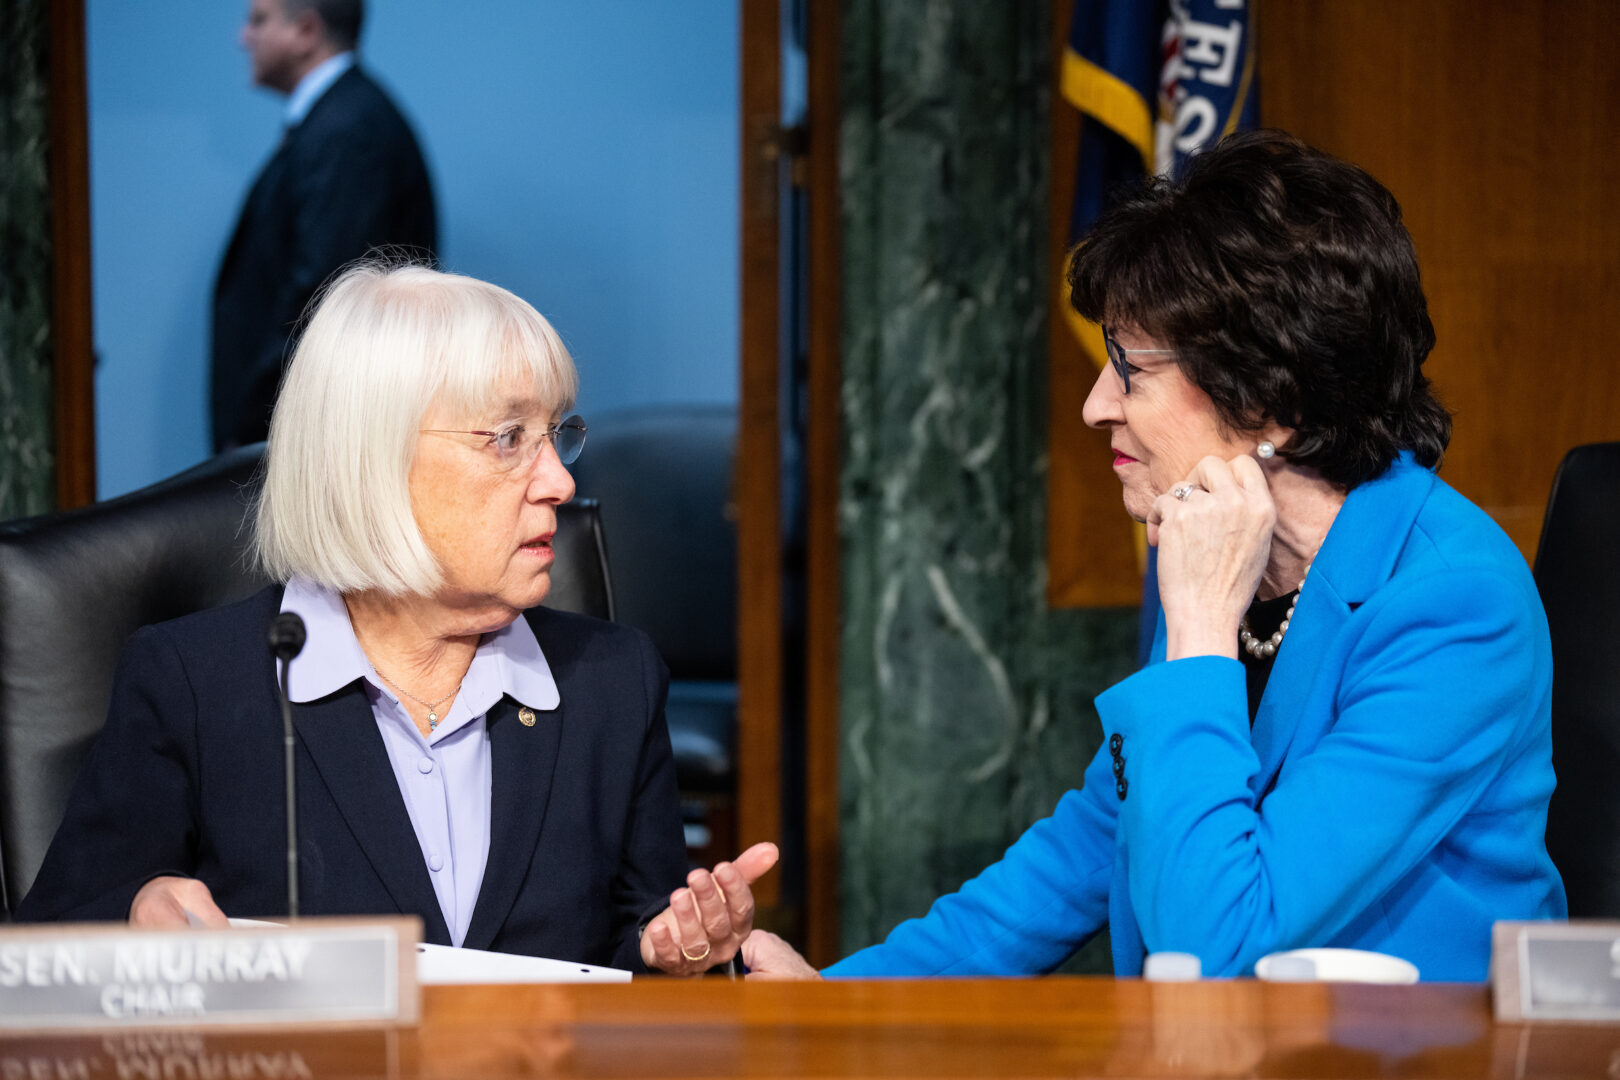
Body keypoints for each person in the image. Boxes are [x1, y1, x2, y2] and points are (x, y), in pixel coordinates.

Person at [743, 130, 1565, 982]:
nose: (1098, 405)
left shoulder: (1454, 603)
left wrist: (1203, 627)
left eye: (1129, 369)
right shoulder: (1223, 544)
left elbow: (1216, 948)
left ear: (1271, 396)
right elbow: (1092, 846)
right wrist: (835, 1004)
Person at [22, 262, 771, 976]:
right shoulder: (192, 685)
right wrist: (137, 914)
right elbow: (50, 954)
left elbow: (636, 947)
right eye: (509, 439)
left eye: (556, 435)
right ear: (374, 461)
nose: (559, 480)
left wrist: (676, 951)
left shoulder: (613, 682)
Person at [212, 0, 436, 452]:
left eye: (259, 20)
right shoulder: (340, 119)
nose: (243, 38)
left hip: (315, 436)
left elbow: (322, 299)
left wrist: (253, 430)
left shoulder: (347, 132)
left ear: (307, 31)